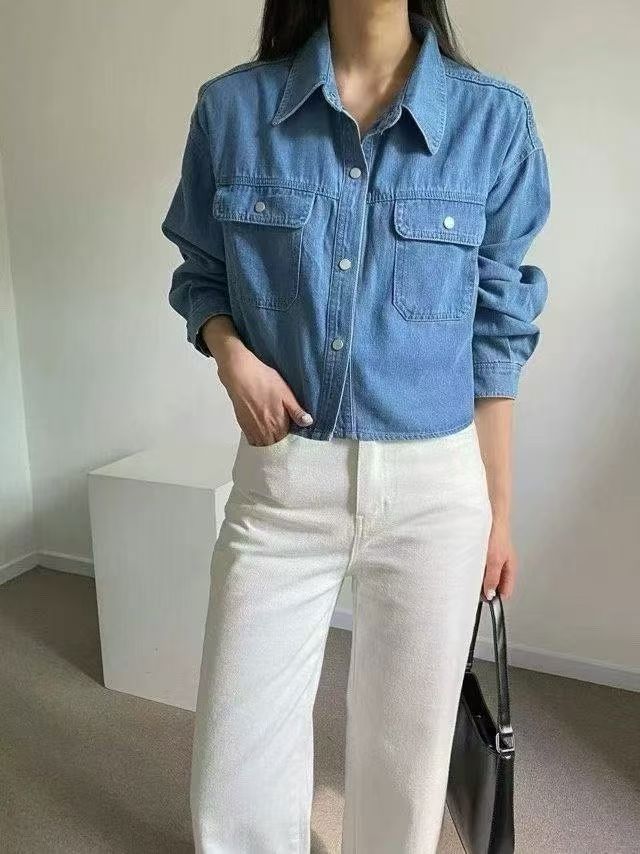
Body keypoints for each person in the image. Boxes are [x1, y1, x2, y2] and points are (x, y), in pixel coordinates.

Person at [161, 0, 550, 851]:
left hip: (436, 491)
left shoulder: (492, 122)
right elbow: (200, 273)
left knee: (406, 762)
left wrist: (499, 512)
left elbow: (497, 336)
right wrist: (230, 355)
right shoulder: (233, 110)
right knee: (235, 756)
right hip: (283, 480)